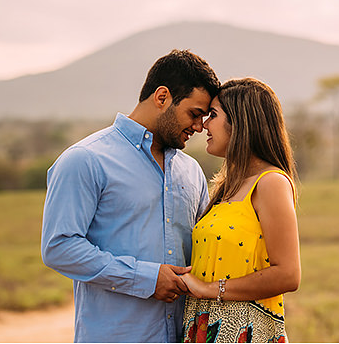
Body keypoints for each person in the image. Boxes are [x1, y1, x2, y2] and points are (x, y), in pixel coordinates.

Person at [41, 49, 220, 343]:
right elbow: (58, 247)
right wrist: (146, 279)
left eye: (205, 117)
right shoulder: (85, 160)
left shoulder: (192, 171)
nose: (200, 127)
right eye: (194, 113)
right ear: (162, 97)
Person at [179, 78, 301, 343]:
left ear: (241, 122)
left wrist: (210, 290)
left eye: (213, 115)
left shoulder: (270, 183)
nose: (204, 125)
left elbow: (288, 274)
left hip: (242, 331)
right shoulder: (227, 187)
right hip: (202, 327)